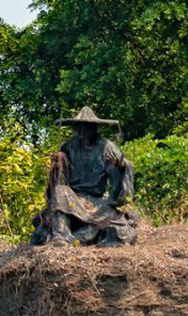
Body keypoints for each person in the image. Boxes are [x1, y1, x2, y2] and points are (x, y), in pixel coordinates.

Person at [30, 106, 139, 247]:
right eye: (80, 128)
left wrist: (122, 166)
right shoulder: (68, 147)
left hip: (97, 201)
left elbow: (119, 180)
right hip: (73, 198)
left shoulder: (107, 147)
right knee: (59, 193)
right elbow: (59, 180)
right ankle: (61, 237)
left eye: (87, 127)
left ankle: (77, 238)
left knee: (105, 222)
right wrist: (57, 164)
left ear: (94, 128)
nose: (83, 132)